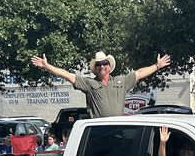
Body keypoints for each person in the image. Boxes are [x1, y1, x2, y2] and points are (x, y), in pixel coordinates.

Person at [31, 50, 171, 118]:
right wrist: (47, 66)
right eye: (98, 64)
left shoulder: (121, 81)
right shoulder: (89, 83)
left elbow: (139, 73)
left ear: (109, 66)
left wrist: (157, 66)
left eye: (105, 63)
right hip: (98, 130)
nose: (102, 66)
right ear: (95, 68)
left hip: (118, 130)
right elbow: (67, 75)